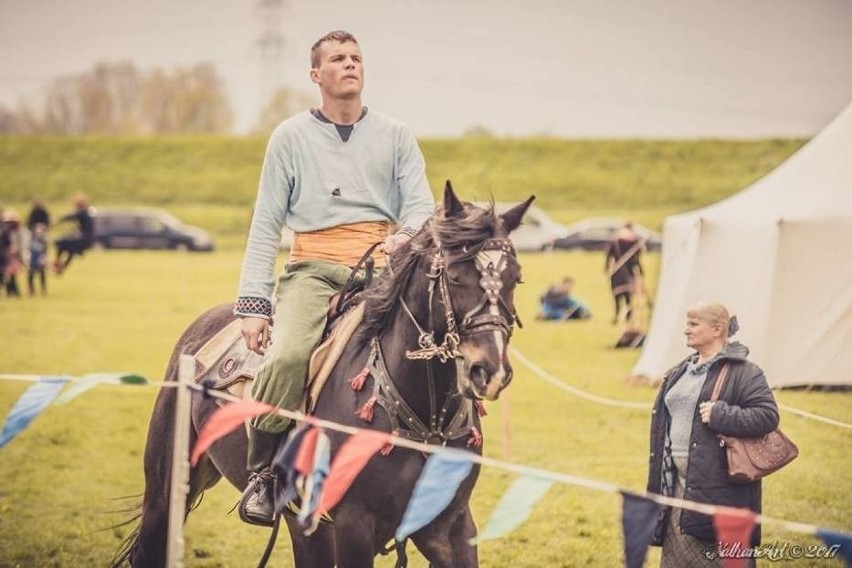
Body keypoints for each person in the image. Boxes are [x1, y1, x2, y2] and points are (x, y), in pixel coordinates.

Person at [234, 30, 435, 526]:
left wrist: (404, 236)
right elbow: (266, 224)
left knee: (429, 349)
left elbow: (422, 206)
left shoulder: (396, 134)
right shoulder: (289, 137)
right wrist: (254, 305)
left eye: (356, 57)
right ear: (316, 75)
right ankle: (265, 474)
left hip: (383, 272)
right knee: (288, 357)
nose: (350, 64)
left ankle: (437, 458)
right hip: (313, 271)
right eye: (338, 59)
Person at [647, 303, 780, 567]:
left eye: (693, 324)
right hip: (676, 487)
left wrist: (722, 414)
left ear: (717, 329)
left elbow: (768, 416)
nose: (686, 330)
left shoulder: (745, 372)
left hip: (721, 492)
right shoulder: (679, 371)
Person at [604, 221, 645, 324]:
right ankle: (628, 316)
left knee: (617, 295)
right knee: (628, 295)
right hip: (629, 271)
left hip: (617, 270)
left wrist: (607, 269)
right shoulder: (634, 240)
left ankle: (617, 315)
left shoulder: (615, 240)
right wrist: (640, 270)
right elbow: (637, 258)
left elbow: (609, 256)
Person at [53, 193, 94, 275]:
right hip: (87, 239)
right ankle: (61, 268)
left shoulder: (82, 211)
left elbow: (71, 216)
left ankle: (57, 262)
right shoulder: (87, 211)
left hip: (84, 239)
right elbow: (85, 225)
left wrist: (58, 220)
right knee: (71, 250)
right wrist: (76, 230)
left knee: (60, 242)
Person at [1, 211, 23, 297]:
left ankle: (12, 292)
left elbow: (11, 244)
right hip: (5, 255)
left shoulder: (7, 230)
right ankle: (12, 292)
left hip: (7, 255)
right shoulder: (6, 230)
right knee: (8, 274)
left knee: (10, 274)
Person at [28, 223, 48, 296]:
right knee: (31, 274)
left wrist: (43, 258)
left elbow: (45, 251)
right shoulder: (31, 239)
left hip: (40, 258)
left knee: (42, 274)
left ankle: (43, 289)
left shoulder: (43, 240)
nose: (39, 232)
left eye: (41, 230)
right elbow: (29, 248)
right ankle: (31, 289)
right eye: (37, 230)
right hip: (32, 258)